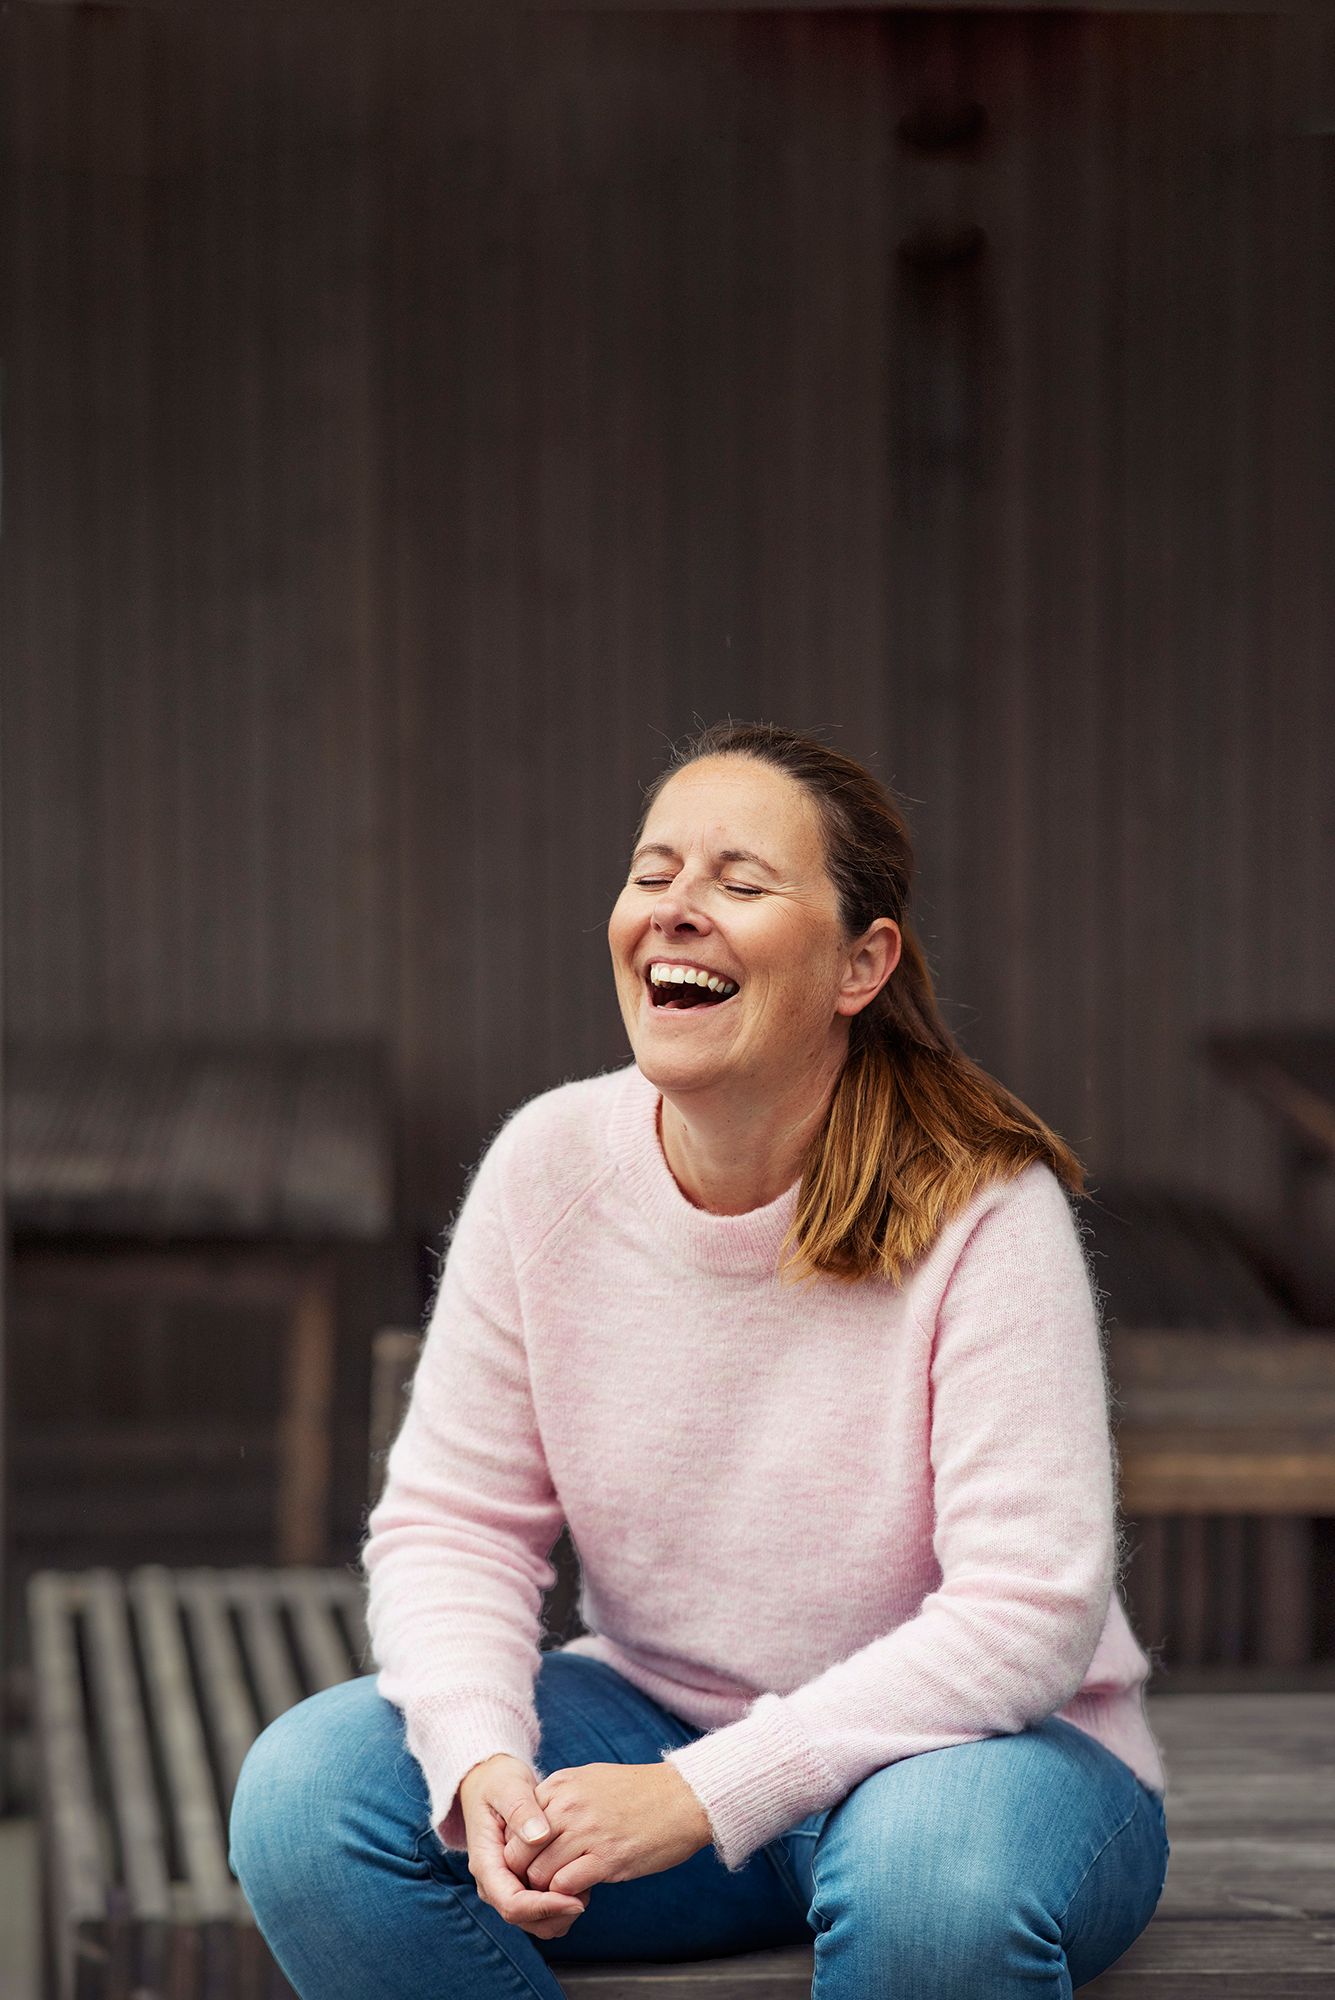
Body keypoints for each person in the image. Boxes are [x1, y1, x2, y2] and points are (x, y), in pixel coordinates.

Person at [229, 719, 1170, 1998]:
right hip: (658, 1727)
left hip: (976, 1762)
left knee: (934, 1886)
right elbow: (456, 1523)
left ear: (861, 961)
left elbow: (1029, 1612)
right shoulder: (548, 1167)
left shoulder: (984, 1205)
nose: (675, 911)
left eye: (739, 881)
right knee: (309, 1798)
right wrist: (481, 1752)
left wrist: (701, 1791)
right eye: (653, 872)